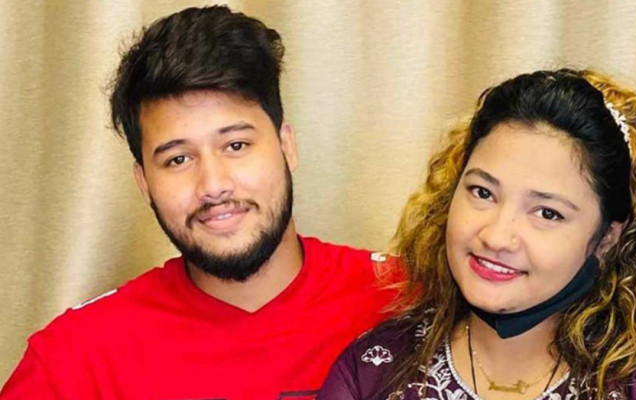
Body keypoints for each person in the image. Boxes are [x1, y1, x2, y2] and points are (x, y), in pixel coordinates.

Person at [0, 6, 396, 400]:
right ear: (144, 182)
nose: (213, 185)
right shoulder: (74, 361)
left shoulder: (406, 301)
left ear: (286, 146)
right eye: (178, 159)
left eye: (236, 145)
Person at [318, 68, 636, 399]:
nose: (497, 236)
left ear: (607, 237)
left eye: (547, 213)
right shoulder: (376, 368)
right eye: (482, 192)